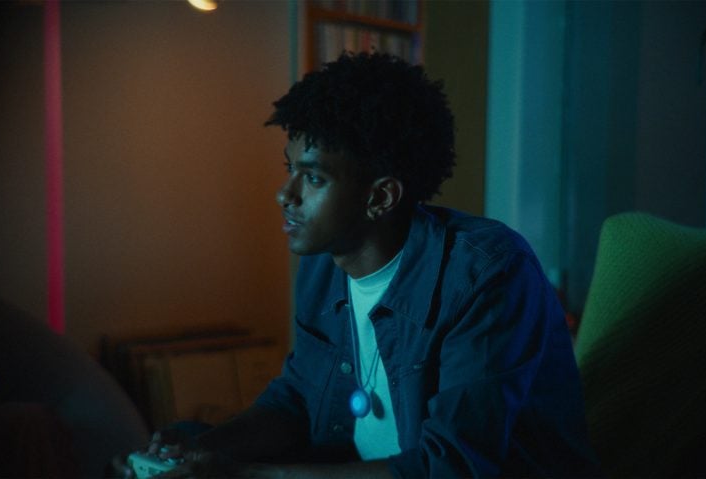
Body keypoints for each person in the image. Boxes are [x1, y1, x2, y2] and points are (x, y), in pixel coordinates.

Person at [115, 51, 599, 478]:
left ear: (380, 196)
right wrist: (197, 452)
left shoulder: (487, 274)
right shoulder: (324, 267)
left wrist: (249, 476)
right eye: (291, 171)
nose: (285, 195)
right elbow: (298, 400)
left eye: (314, 177)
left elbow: (451, 467)